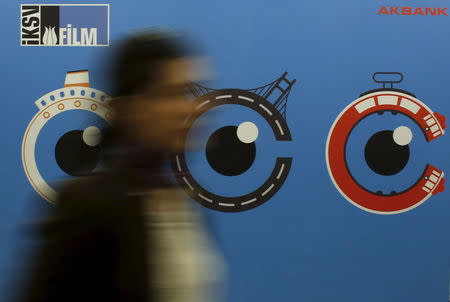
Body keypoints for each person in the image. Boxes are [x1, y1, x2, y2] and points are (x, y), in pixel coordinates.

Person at [19, 29, 225, 302]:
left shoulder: (188, 201)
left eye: (191, 93)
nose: (187, 109)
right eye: (169, 94)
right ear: (127, 109)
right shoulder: (87, 203)